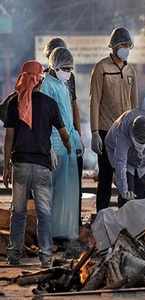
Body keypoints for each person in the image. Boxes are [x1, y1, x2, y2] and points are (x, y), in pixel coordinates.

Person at [3, 61, 71, 267]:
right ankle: (45, 256)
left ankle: (14, 254)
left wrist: (6, 166)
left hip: (20, 164)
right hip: (42, 166)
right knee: (44, 212)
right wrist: (69, 148)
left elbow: (8, 138)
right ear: (40, 81)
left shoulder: (14, 103)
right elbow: (63, 132)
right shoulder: (49, 103)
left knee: (19, 212)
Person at [90, 27, 138, 212]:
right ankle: (101, 217)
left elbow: (134, 105)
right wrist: (95, 133)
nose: (126, 48)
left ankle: (124, 220)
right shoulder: (101, 68)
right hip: (105, 130)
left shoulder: (131, 70)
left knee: (126, 175)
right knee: (106, 177)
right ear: (114, 46)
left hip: (125, 133)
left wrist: (134, 131)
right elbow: (95, 101)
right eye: (123, 45)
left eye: (128, 45)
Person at [40, 47, 82, 241]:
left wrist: (76, 140)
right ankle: (52, 234)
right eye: (65, 68)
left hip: (68, 146)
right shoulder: (46, 86)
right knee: (54, 194)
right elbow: (44, 120)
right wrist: (48, 146)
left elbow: (68, 119)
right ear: (54, 66)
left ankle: (65, 232)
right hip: (55, 146)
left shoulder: (63, 86)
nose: (68, 72)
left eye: (70, 68)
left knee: (68, 194)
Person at [105, 109, 145, 207]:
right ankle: (124, 217)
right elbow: (121, 164)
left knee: (144, 189)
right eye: (138, 143)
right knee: (127, 190)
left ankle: (144, 218)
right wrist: (124, 190)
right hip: (117, 149)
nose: (140, 148)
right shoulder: (122, 134)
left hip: (143, 154)